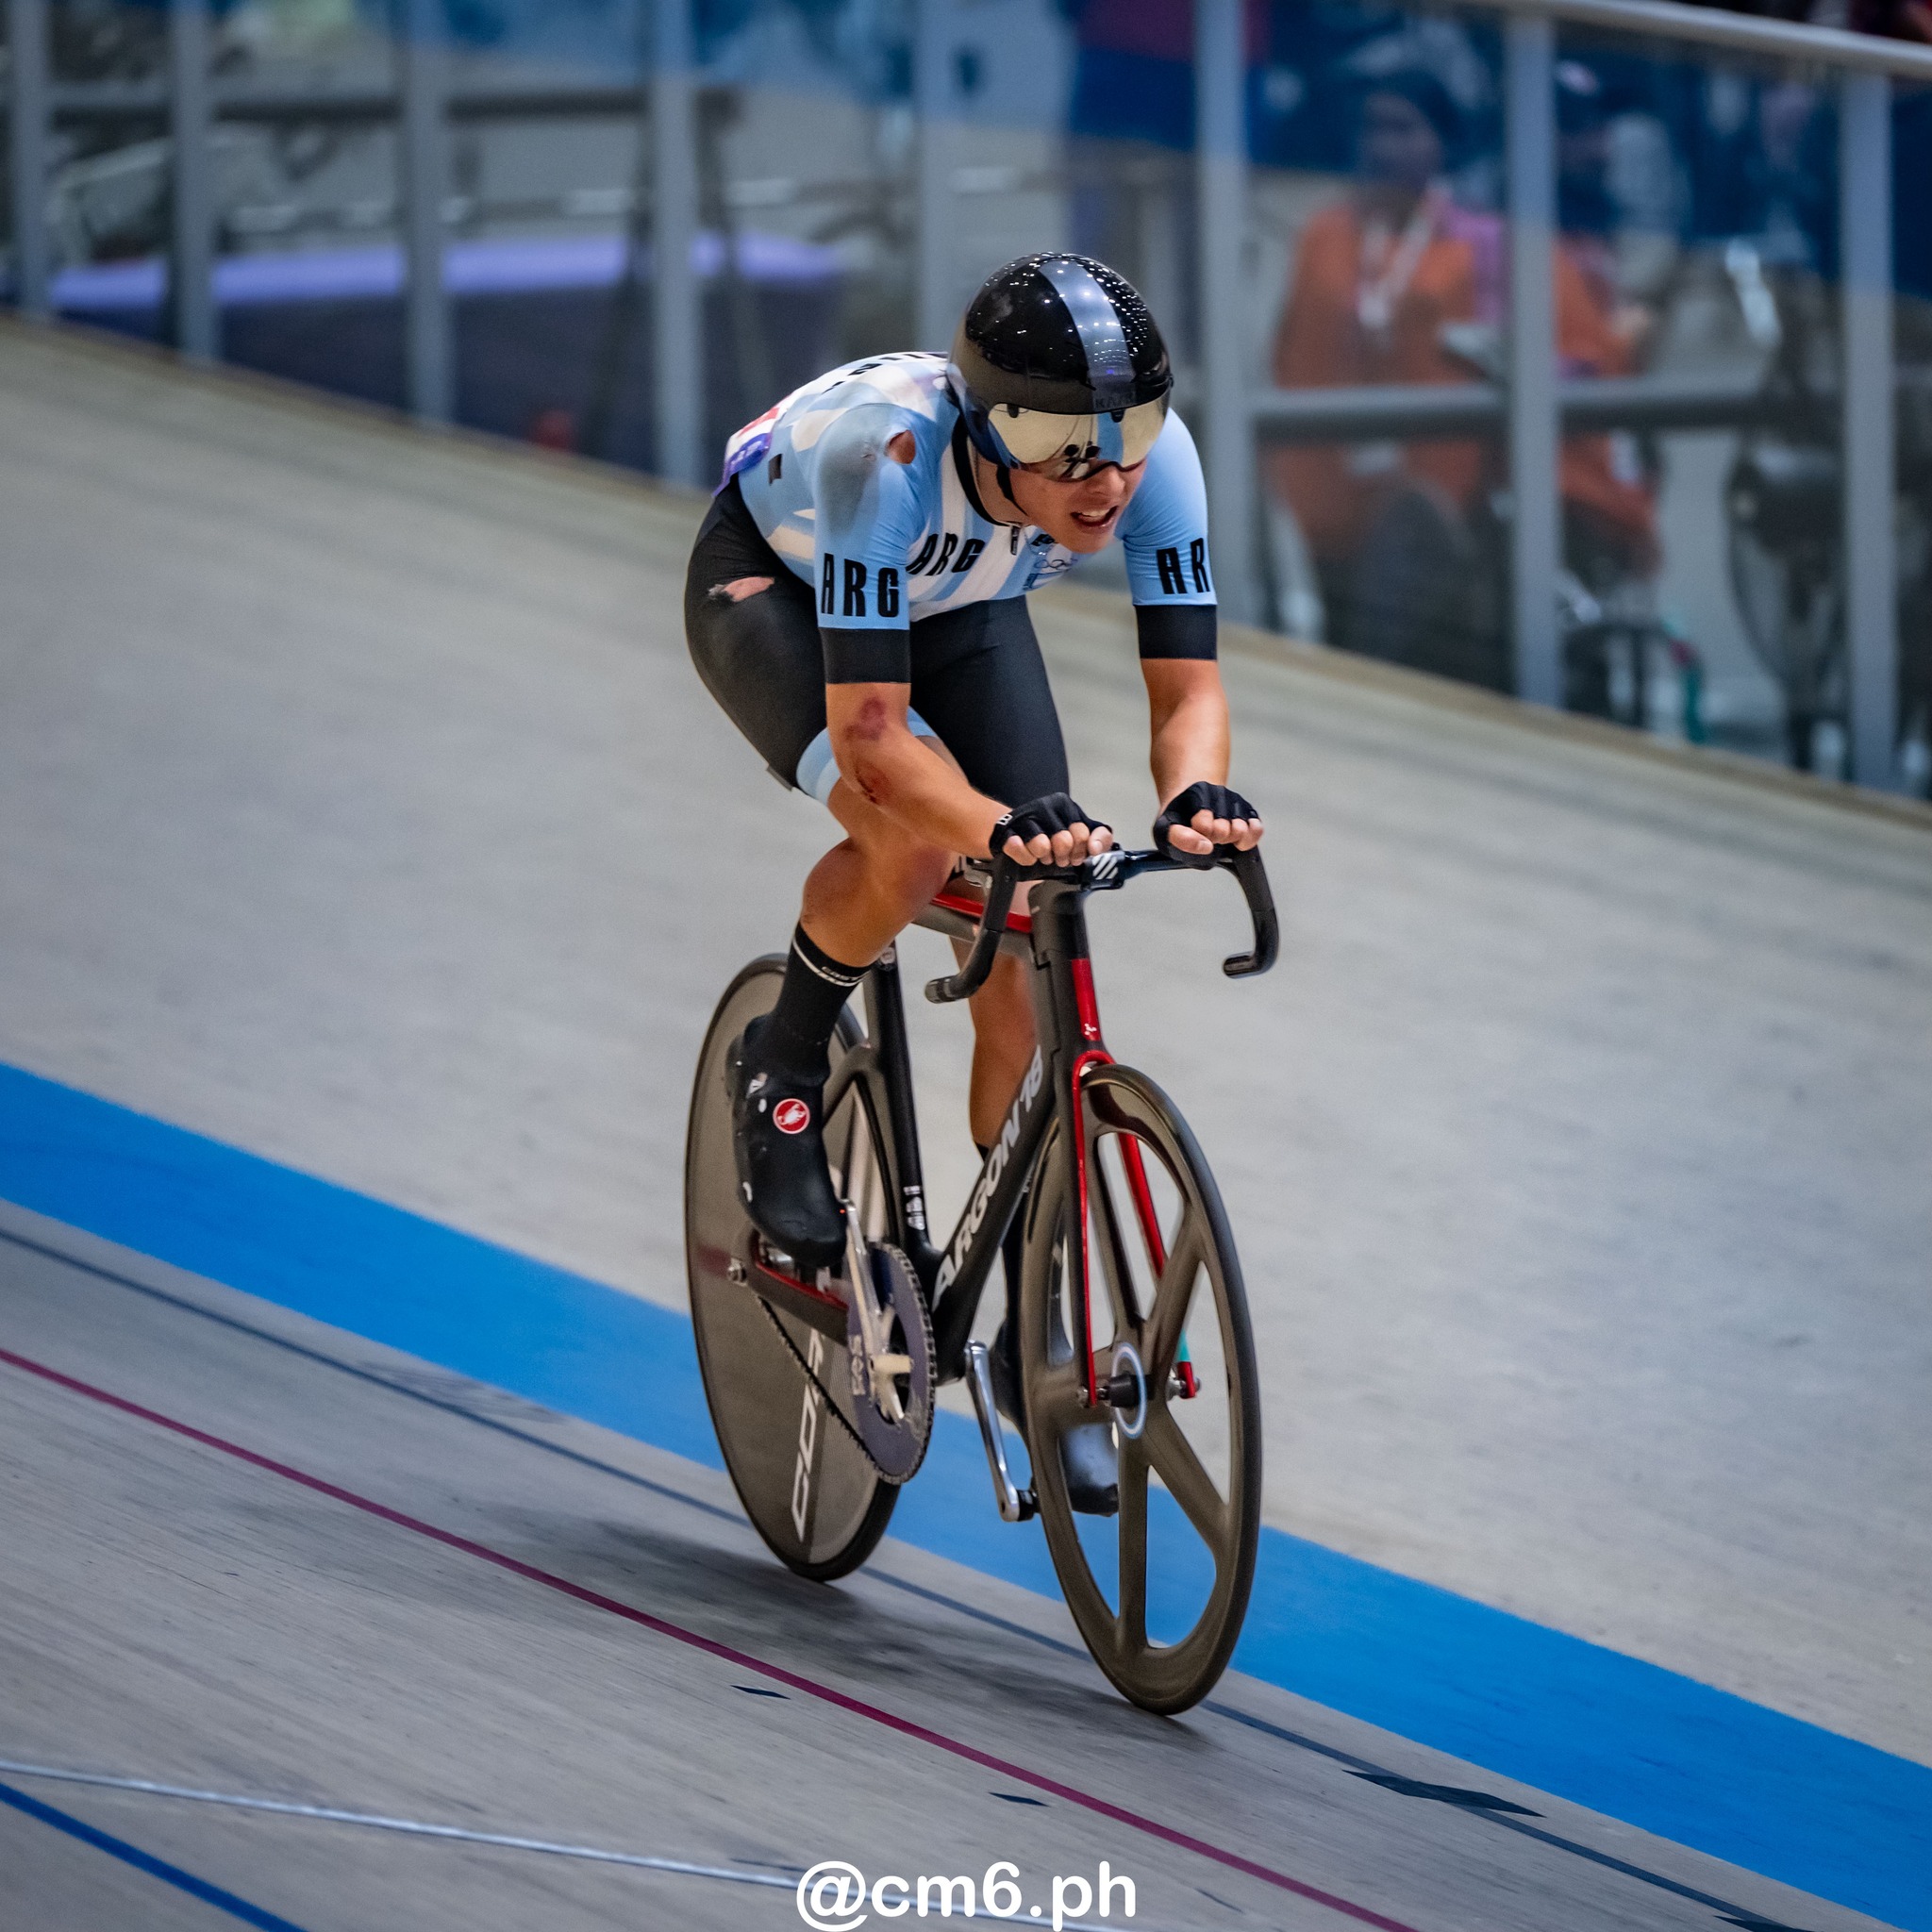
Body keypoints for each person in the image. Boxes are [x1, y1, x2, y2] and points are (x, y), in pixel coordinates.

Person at [685, 253, 1263, 1507]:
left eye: (1125, 438)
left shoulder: (1153, 464)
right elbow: (873, 744)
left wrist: (1194, 794)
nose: (1103, 479)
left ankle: (1033, 1327)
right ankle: (782, 1066)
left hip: (962, 603)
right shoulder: (886, 457)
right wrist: (995, 827)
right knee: (911, 842)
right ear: (989, 426)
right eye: (1059, 445)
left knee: (1031, 942)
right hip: (783, 590)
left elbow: (1189, 689)